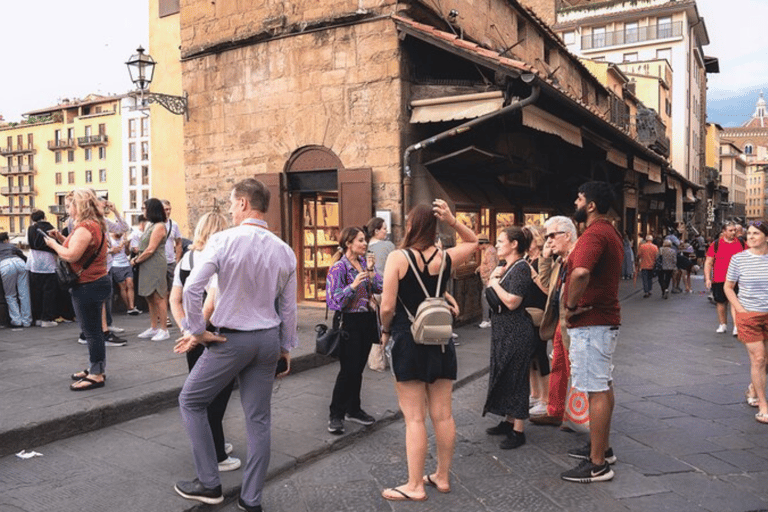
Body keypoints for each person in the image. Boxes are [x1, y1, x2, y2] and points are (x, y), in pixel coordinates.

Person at [174, 178, 296, 511]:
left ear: (243, 203)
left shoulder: (223, 240)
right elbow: (288, 307)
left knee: (191, 400)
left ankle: (209, 483)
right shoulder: (284, 250)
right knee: (259, 420)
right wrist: (286, 347)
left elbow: (191, 290)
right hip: (268, 338)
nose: (229, 208)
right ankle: (251, 499)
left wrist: (197, 330)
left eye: (231, 202)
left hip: (232, 338)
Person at [378, 200, 477, 501]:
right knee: (443, 415)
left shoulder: (398, 257)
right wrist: (452, 220)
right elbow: (473, 242)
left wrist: (384, 331)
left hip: (408, 341)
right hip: (441, 341)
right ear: (434, 226)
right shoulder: (445, 258)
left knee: (415, 418)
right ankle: (442, 477)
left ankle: (414, 485)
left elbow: (387, 306)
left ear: (410, 225)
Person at [561, 181, 623, 483]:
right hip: (603, 321)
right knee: (603, 384)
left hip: (592, 324)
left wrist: (570, 305)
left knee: (595, 389)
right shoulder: (610, 231)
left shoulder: (595, 233)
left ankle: (597, 464)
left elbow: (581, 272)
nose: (576, 201)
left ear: (592, 205)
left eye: (579, 197)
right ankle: (603, 449)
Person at [169, 212, 240, 473]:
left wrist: (186, 328)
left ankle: (212, 442)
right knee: (217, 397)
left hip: (193, 337)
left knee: (202, 394)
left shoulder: (185, 260)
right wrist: (199, 332)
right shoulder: (220, 259)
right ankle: (216, 453)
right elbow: (211, 302)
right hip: (215, 334)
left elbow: (175, 300)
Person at [44, 189, 110, 391]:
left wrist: (54, 245)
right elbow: (80, 251)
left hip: (88, 284)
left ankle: (96, 374)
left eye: (70, 204)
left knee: (91, 331)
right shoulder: (94, 225)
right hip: (96, 281)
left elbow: (72, 256)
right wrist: (61, 239)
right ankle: (95, 366)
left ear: (78, 206)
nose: (68, 208)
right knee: (93, 330)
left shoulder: (84, 227)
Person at [483, 226, 537, 450]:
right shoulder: (507, 266)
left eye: (501, 241)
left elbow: (513, 301)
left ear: (514, 244)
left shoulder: (522, 268)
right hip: (503, 331)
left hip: (516, 331)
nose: (497, 245)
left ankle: (518, 431)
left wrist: (494, 283)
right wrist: (493, 280)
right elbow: (491, 293)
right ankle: (508, 421)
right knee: (504, 375)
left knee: (516, 378)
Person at [325, 226, 383, 435]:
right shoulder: (339, 268)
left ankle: (354, 409)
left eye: (365, 240)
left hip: (366, 321)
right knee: (347, 370)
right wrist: (352, 286)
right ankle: (336, 414)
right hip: (349, 323)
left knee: (357, 369)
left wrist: (371, 270)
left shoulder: (362, 264)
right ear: (349, 243)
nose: (365, 244)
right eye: (360, 240)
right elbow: (333, 300)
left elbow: (380, 287)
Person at [530, 216, 579, 427]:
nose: (548, 240)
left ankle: (579, 415)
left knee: (575, 368)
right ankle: (556, 410)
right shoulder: (560, 260)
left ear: (567, 235)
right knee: (559, 365)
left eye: (551, 235)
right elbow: (546, 284)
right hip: (560, 320)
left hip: (574, 320)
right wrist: (545, 257)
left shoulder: (577, 256)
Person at [724, 220, 768, 425]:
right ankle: (763, 405)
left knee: (765, 362)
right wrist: (740, 310)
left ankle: (753, 387)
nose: (750, 237)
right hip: (749, 316)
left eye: (756, 233)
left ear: (766, 237)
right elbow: (729, 287)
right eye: (749, 233)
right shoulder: (738, 259)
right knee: (758, 359)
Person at [131, 199, 170, 341]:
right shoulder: (150, 225)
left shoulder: (159, 226)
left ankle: (164, 329)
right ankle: (154, 327)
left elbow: (151, 249)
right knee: (150, 297)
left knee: (159, 296)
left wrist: (135, 260)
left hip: (155, 263)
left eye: (144, 208)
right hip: (147, 263)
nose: (143, 211)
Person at [524, 226, 550, 417]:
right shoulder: (527, 259)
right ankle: (535, 394)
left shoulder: (543, 260)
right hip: (526, 313)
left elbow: (548, 289)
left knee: (540, 355)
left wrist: (533, 277)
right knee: (530, 357)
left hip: (538, 312)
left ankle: (546, 398)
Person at [705, 221, 746, 335]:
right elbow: (709, 262)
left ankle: (736, 327)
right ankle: (723, 324)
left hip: (737, 279)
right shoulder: (716, 244)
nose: (734, 232)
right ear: (723, 231)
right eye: (731, 230)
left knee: (735, 302)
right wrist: (708, 278)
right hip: (719, 278)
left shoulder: (741, 243)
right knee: (721, 302)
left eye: (735, 230)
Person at [27, 210, 59, 327]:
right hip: (48, 262)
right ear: (44, 217)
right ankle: (47, 318)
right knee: (48, 292)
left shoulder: (31, 228)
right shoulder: (50, 227)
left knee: (36, 291)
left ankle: (37, 318)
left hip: (34, 262)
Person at [0, 232, 31, 327]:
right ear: (6, 240)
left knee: (10, 295)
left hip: (5, 265)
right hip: (19, 262)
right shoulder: (11, 245)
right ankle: (27, 321)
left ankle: (16, 320)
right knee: (24, 293)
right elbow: (23, 256)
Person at [109, 232, 138, 314]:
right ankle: (128, 306)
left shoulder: (123, 238)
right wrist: (122, 244)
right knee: (123, 286)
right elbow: (115, 251)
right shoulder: (110, 239)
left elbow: (127, 253)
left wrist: (127, 245)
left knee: (130, 284)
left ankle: (132, 306)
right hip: (116, 265)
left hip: (126, 264)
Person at [162, 199, 183, 302]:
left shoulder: (174, 224)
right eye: (166, 209)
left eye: (169, 209)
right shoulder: (154, 224)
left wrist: (177, 260)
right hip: (159, 262)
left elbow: (178, 243)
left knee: (174, 288)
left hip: (171, 262)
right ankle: (163, 315)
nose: (168, 212)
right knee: (162, 290)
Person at [475, 234, 498, 329]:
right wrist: (480, 268)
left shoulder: (490, 251)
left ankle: (486, 320)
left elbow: (491, 266)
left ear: (482, 244)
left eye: (479, 245)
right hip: (487, 279)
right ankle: (488, 319)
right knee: (486, 298)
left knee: (485, 299)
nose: (478, 247)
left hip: (488, 280)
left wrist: (489, 280)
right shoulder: (488, 250)